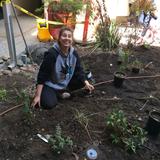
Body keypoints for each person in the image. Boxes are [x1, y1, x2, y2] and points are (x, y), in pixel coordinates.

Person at [31, 26, 94, 109]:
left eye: (69, 36)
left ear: (72, 40)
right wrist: (37, 96)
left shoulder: (73, 53)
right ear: (59, 38)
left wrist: (86, 83)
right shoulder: (52, 54)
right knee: (48, 104)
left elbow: (79, 70)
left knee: (87, 80)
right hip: (51, 85)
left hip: (65, 81)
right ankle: (59, 94)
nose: (66, 38)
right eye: (64, 35)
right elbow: (42, 74)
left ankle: (64, 91)